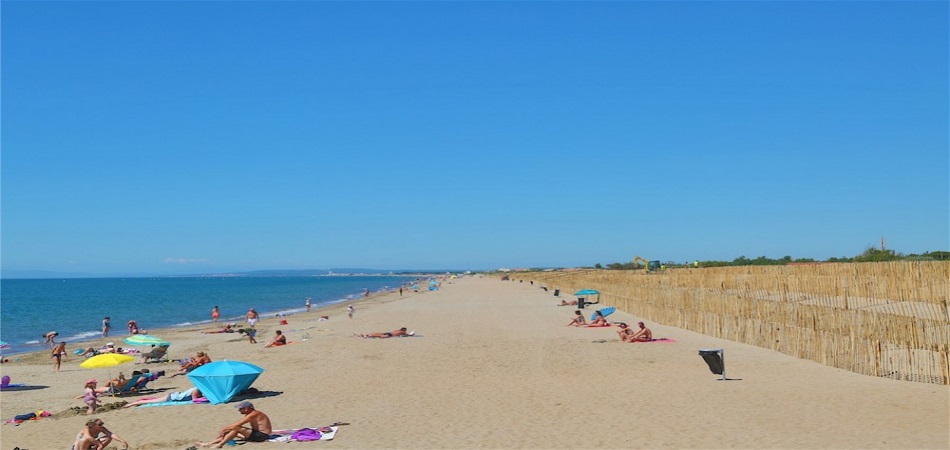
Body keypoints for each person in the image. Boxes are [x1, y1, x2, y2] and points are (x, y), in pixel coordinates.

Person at [196, 401, 273, 448]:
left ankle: (219, 445)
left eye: (241, 408)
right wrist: (226, 430)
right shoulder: (250, 414)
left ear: (247, 408)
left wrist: (224, 429)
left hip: (262, 436)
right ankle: (209, 444)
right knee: (233, 431)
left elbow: (238, 424)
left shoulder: (253, 414)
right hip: (256, 434)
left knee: (236, 428)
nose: (239, 410)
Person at [123, 387, 202, 408]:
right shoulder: (196, 391)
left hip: (174, 395)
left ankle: (133, 403)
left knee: (154, 400)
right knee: (153, 401)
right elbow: (195, 400)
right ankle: (131, 404)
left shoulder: (196, 389)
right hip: (172, 397)